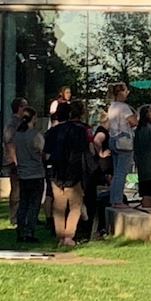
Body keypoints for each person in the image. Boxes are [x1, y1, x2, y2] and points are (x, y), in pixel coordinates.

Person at [44, 101, 90, 246]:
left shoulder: (52, 131)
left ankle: (60, 237)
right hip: (74, 172)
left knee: (59, 206)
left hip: (56, 173)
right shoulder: (79, 130)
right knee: (75, 206)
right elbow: (83, 153)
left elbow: (46, 154)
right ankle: (69, 236)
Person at [12, 106, 45, 243]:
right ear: (33, 118)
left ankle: (20, 230)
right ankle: (29, 231)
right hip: (36, 173)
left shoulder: (17, 135)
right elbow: (42, 151)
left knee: (23, 203)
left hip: (23, 173)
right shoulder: (35, 135)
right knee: (34, 204)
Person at [107, 82, 137, 209]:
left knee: (116, 171)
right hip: (123, 139)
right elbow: (133, 121)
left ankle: (114, 198)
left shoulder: (112, 106)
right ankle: (117, 199)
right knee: (121, 171)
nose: (126, 94)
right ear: (120, 92)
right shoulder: (123, 107)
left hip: (113, 138)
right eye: (125, 91)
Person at [2, 96, 28, 228]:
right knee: (16, 189)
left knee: (24, 189)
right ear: (19, 108)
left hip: (22, 159)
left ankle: (24, 216)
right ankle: (14, 218)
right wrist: (15, 161)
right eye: (25, 106)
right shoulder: (12, 124)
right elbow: (9, 143)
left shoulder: (22, 122)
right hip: (14, 161)